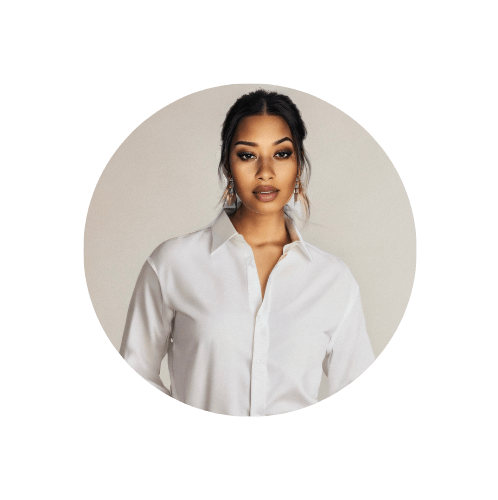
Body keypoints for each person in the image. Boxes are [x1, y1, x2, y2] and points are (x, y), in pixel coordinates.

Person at [119, 89, 375, 417]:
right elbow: (135, 372)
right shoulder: (172, 264)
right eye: (247, 155)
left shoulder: (333, 280)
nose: (265, 171)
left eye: (281, 153)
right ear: (228, 164)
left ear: (298, 164)